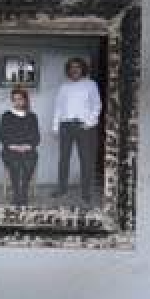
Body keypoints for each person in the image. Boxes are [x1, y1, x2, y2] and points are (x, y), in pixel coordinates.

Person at [51, 56, 102, 201]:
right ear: (68, 70)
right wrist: (55, 127)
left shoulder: (91, 84)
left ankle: (86, 192)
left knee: (86, 160)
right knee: (63, 159)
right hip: (66, 126)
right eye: (72, 67)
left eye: (77, 67)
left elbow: (97, 105)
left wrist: (89, 123)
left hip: (84, 127)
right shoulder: (64, 86)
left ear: (82, 69)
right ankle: (62, 189)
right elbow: (58, 107)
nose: (74, 70)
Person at [0, 86, 40, 206]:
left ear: (25, 100)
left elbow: (36, 137)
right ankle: (17, 193)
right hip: (10, 149)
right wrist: (14, 146)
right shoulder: (6, 116)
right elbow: (2, 136)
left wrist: (27, 146)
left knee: (28, 162)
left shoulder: (32, 116)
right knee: (15, 163)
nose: (17, 102)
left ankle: (24, 192)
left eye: (20, 99)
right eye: (15, 99)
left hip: (27, 149)